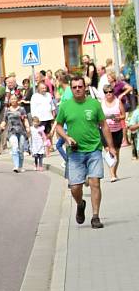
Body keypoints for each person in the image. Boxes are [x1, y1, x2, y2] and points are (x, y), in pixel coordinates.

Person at [55, 76, 117, 229]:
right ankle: (80, 204)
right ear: (71, 88)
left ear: (85, 88)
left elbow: (104, 125)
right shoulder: (65, 106)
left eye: (80, 86)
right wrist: (67, 137)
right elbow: (58, 126)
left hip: (94, 150)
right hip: (75, 153)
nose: (77, 89)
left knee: (95, 182)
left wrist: (111, 146)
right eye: (74, 87)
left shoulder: (94, 104)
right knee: (76, 187)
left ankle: (95, 216)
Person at [100, 83, 126, 182]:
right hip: (105, 131)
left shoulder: (118, 102)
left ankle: (114, 172)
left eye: (111, 92)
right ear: (104, 94)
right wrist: (105, 118)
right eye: (106, 92)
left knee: (116, 153)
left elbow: (123, 115)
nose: (109, 94)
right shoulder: (101, 103)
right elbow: (99, 117)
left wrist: (118, 118)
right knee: (109, 152)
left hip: (117, 130)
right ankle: (112, 174)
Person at [0, 95, 29, 173]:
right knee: (15, 147)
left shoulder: (21, 109)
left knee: (21, 148)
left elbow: (25, 119)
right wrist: (2, 125)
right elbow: (4, 120)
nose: (13, 100)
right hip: (11, 131)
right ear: (10, 101)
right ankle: (16, 166)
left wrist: (28, 127)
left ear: (17, 100)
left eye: (14, 99)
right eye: (11, 99)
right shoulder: (7, 110)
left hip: (21, 130)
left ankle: (20, 166)